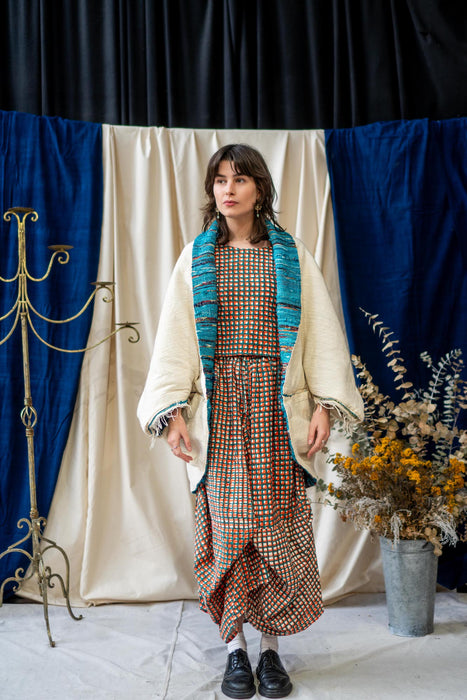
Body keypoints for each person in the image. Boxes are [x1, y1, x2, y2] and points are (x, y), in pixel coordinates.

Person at [138, 144, 363, 699]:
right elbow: (174, 340)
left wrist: (324, 405)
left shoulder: (291, 255)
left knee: (276, 527)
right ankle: (235, 649)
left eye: (240, 179)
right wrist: (172, 413)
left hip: (276, 410)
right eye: (220, 180)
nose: (228, 189)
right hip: (219, 412)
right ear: (211, 190)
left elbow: (320, 335)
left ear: (260, 188)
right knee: (230, 527)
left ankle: (270, 651)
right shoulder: (197, 257)